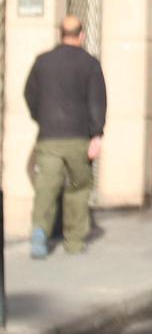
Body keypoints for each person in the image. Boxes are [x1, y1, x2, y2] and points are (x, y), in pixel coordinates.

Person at [24, 15, 107, 258]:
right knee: (78, 188)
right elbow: (97, 101)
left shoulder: (42, 62)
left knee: (46, 187)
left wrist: (41, 118)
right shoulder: (90, 64)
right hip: (78, 138)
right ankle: (74, 241)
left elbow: (29, 94)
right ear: (81, 35)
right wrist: (96, 134)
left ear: (60, 34)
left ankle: (39, 233)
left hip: (49, 137)